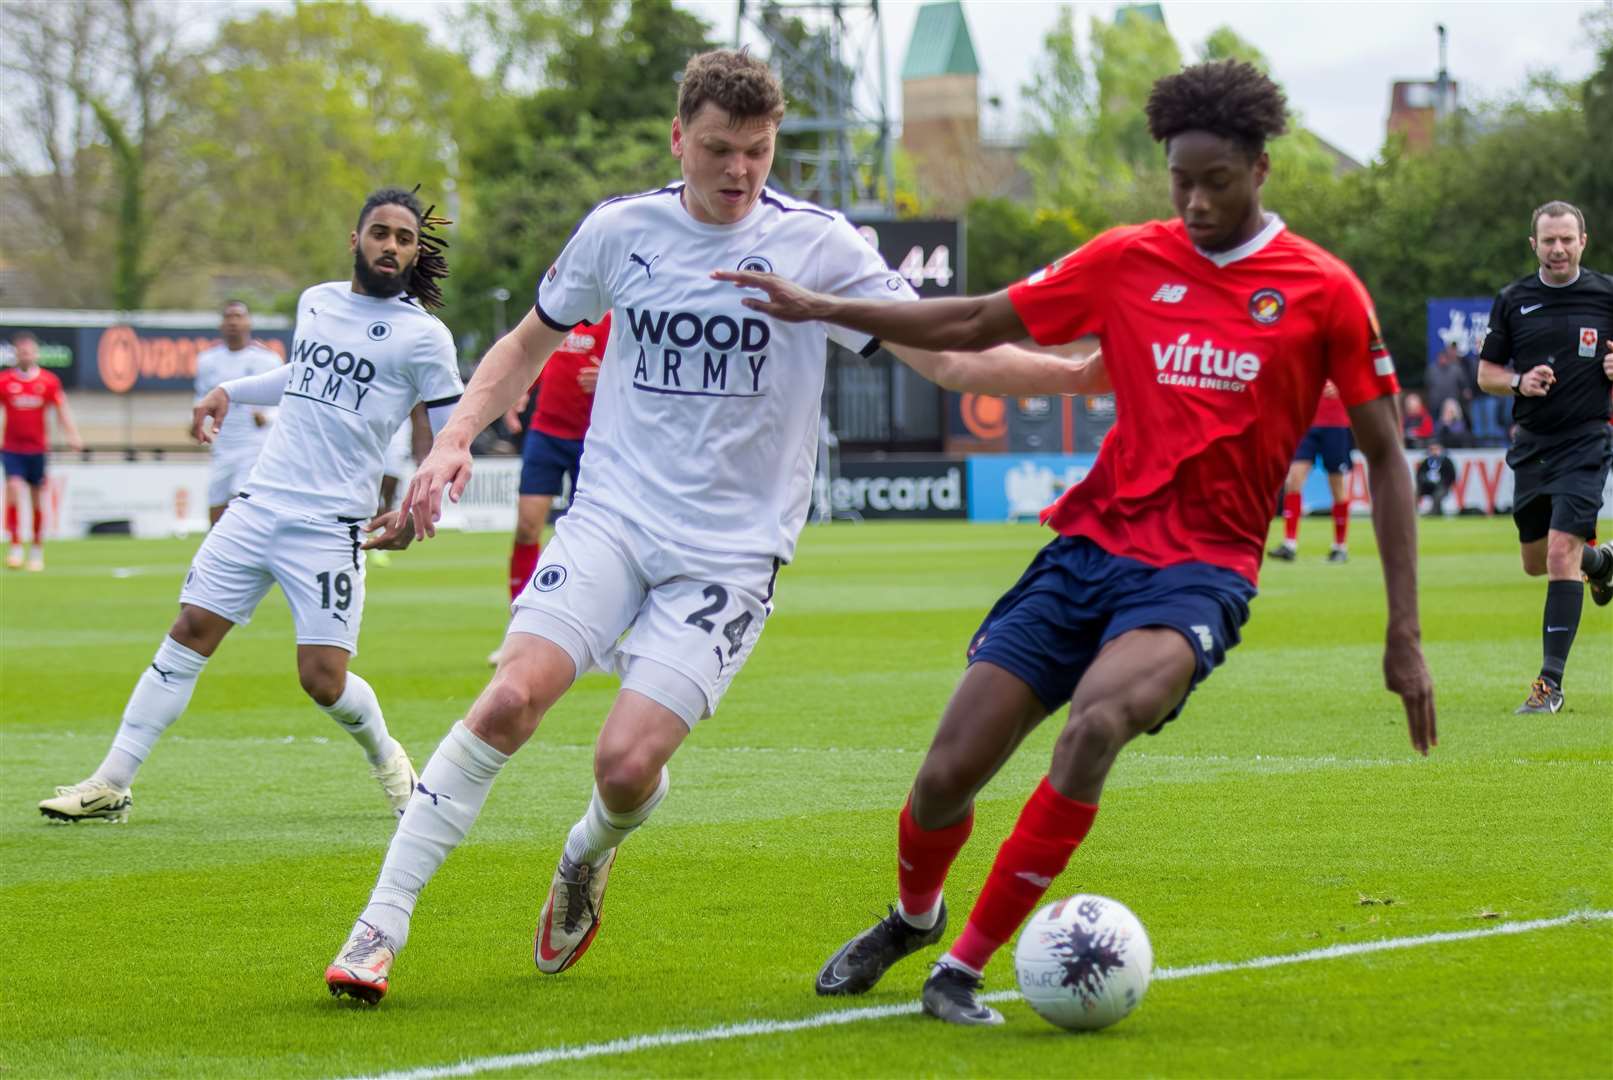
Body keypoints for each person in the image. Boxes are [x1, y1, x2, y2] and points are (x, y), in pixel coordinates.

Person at [322, 49, 1105, 1005]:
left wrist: (1072, 376)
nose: (739, 171)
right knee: (509, 701)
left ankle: (587, 853)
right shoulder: (620, 230)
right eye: (719, 149)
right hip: (611, 516)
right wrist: (453, 440)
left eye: (759, 152)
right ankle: (378, 927)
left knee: (624, 767)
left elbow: (947, 362)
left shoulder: (820, 245)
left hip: (731, 555)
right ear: (678, 139)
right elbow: (529, 340)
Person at [719, 58, 1437, 1026]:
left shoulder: (1321, 292)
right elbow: (971, 320)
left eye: (1213, 180)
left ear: (1260, 169)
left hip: (1198, 572)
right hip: (1088, 549)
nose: (1191, 200)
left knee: (1095, 724)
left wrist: (1403, 632)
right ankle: (912, 919)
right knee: (943, 778)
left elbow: (1386, 458)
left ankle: (962, 969)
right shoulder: (1126, 258)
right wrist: (825, 306)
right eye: (1177, 178)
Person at [38, 187, 463, 824]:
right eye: (380, 233)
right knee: (189, 632)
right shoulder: (316, 302)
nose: (391, 246)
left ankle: (390, 761)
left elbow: (452, 428)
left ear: (412, 251)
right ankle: (111, 782)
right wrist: (229, 391)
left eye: (403, 239)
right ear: (356, 239)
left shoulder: (425, 337)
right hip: (258, 504)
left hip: (328, 526)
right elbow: (302, 375)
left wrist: (416, 505)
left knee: (322, 679)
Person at [1474, 199, 1613, 715]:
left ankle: (1549, 684)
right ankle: (1602, 564)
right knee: (1537, 563)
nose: (1558, 248)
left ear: (1584, 241)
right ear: (1534, 244)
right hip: (1532, 444)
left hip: (1587, 438)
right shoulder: (1514, 299)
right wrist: (1519, 381)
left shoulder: (1606, 293)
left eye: (1567, 239)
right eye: (1548, 240)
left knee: (1559, 554)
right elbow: (1486, 374)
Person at [490, 313, 609, 664]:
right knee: (527, 526)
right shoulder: (563, 310)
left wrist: (608, 377)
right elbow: (532, 353)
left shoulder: (618, 319)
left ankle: (591, 634)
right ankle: (517, 629)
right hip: (546, 432)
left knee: (591, 540)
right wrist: (518, 394)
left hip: (594, 436)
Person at [193, 301, 282, 525]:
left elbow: (285, 401)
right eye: (228, 317)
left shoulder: (267, 360)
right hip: (223, 443)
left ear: (249, 322)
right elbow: (202, 396)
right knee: (216, 498)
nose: (233, 322)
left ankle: (243, 551)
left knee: (243, 498)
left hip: (254, 443)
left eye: (238, 316)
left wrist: (267, 417)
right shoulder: (207, 360)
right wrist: (196, 422)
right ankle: (216, 551)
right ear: (221, 324)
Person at [2, 332, 83, 571]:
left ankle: (36, 549)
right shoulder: (5, 381)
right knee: (14, 490)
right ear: (16, 354)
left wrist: (72, 435)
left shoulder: (48, 381)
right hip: (11, 448)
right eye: (21, 351)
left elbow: (62, 409)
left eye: (29, 351)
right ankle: (16, 547)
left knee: (37, 499)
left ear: (36, 353)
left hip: (37, 449)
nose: (25, 355)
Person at [1268, 379, 1353, 563]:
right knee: (1293, 480)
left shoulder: (1342, 355)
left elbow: (1358, 376)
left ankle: (1340, 546)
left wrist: (1343, 386)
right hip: (1307, 421)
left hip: (1336, 424)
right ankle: (1289, 544)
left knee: (1336, 485)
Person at [1417, 441, 1457, 515]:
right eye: (1432, 450)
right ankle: (1412, 513)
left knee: (1438, 495)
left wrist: (1443, 484)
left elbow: (1452, 476)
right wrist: (1425, 481)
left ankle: (1434, 513)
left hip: (1442, 486)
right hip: (1427, 486)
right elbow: (1420, 475)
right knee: (1416, 493)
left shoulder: (1446, 462)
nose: (1434, 452)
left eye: (1436, 449)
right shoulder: (1426, 462)